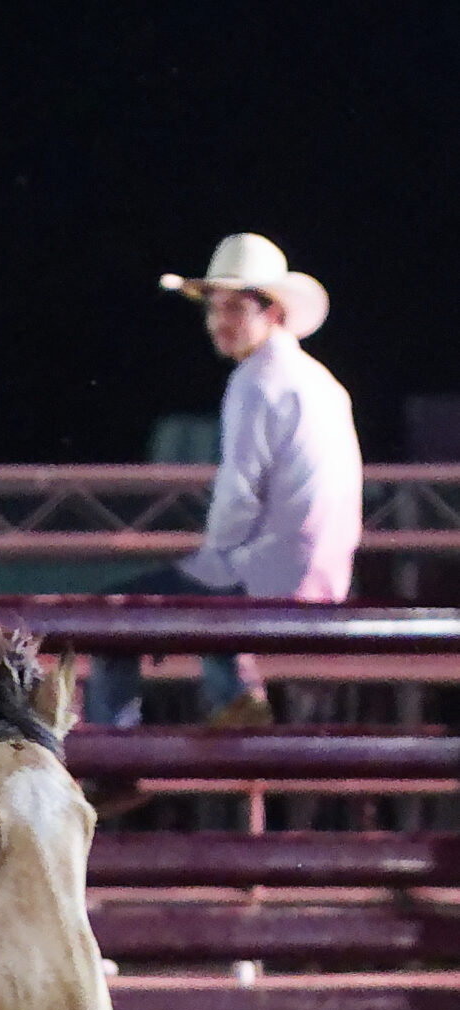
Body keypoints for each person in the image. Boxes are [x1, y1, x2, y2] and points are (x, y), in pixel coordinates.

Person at [83, 234, 362, 730]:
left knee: (113, 612)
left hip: (269, 575)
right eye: (213, 308)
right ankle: (232, 695)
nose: (217, 322)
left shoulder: (255, 379)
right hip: (324, 576)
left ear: (272, 311)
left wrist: (209, 562)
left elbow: (239, 494)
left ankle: (112, 754)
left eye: (234, 308)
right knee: (212, 576)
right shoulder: (322, 381)